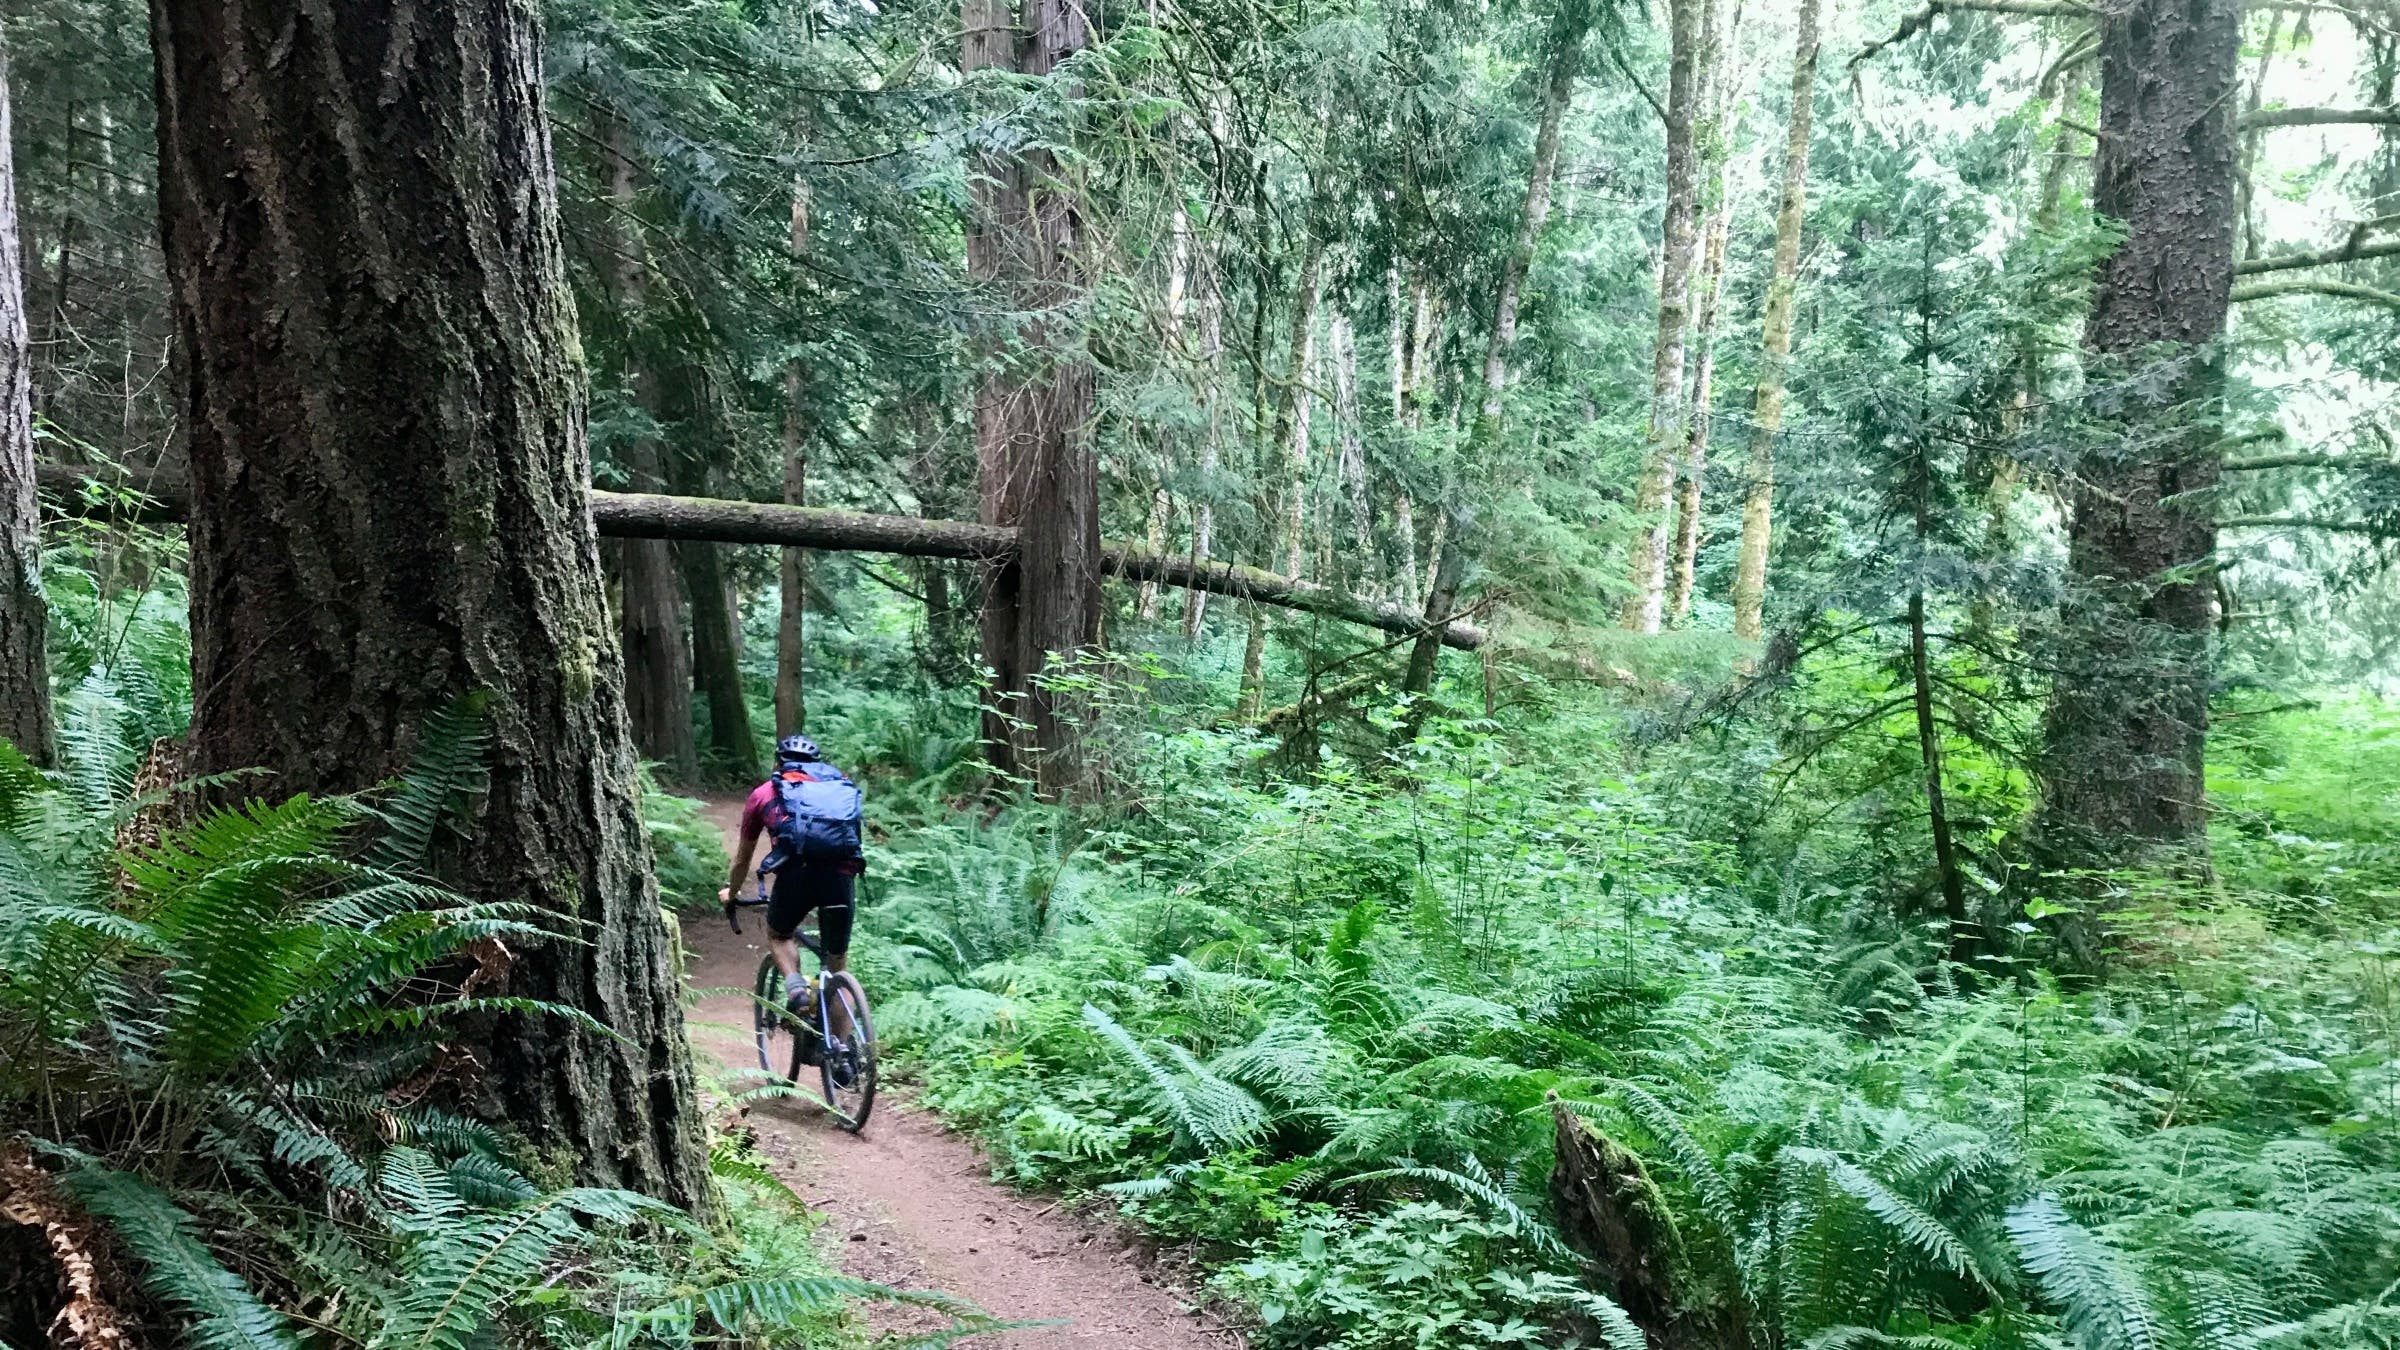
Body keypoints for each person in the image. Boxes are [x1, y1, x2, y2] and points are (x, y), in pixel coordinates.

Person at [721, 735, 866, 1032]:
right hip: (841, 877)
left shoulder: (765, 793)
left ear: (778, 763)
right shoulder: (839, 787)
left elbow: (743, 860)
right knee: (837, 967)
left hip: (796, 876)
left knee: (779, 934)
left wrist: (732, 893)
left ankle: (797, 991)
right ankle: (843, 1053)